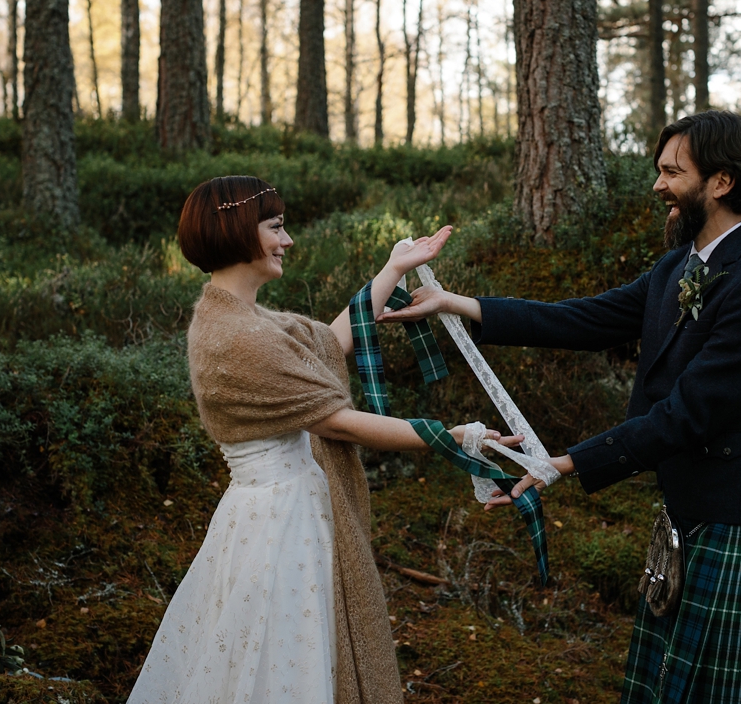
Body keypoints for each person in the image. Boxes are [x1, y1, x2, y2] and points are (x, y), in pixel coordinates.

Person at [381, 111, 741, 703]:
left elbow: (689, 414)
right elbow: (582, 319)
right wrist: (455, 303)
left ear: (720, 183)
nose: (658, 185)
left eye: (672, 172)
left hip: (737, 523)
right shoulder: (678, 267)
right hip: (690, 518)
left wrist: (562, 464)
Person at [128, 175, 515, 704]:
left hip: (271, 511)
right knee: (288, 657)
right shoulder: (241, 337)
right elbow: (336, 421)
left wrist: (393, 269)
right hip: (281, 522)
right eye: (275, 227)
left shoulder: (235, 320)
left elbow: (328, 344)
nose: (286, 241)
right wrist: (450, 437)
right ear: (240, 231)